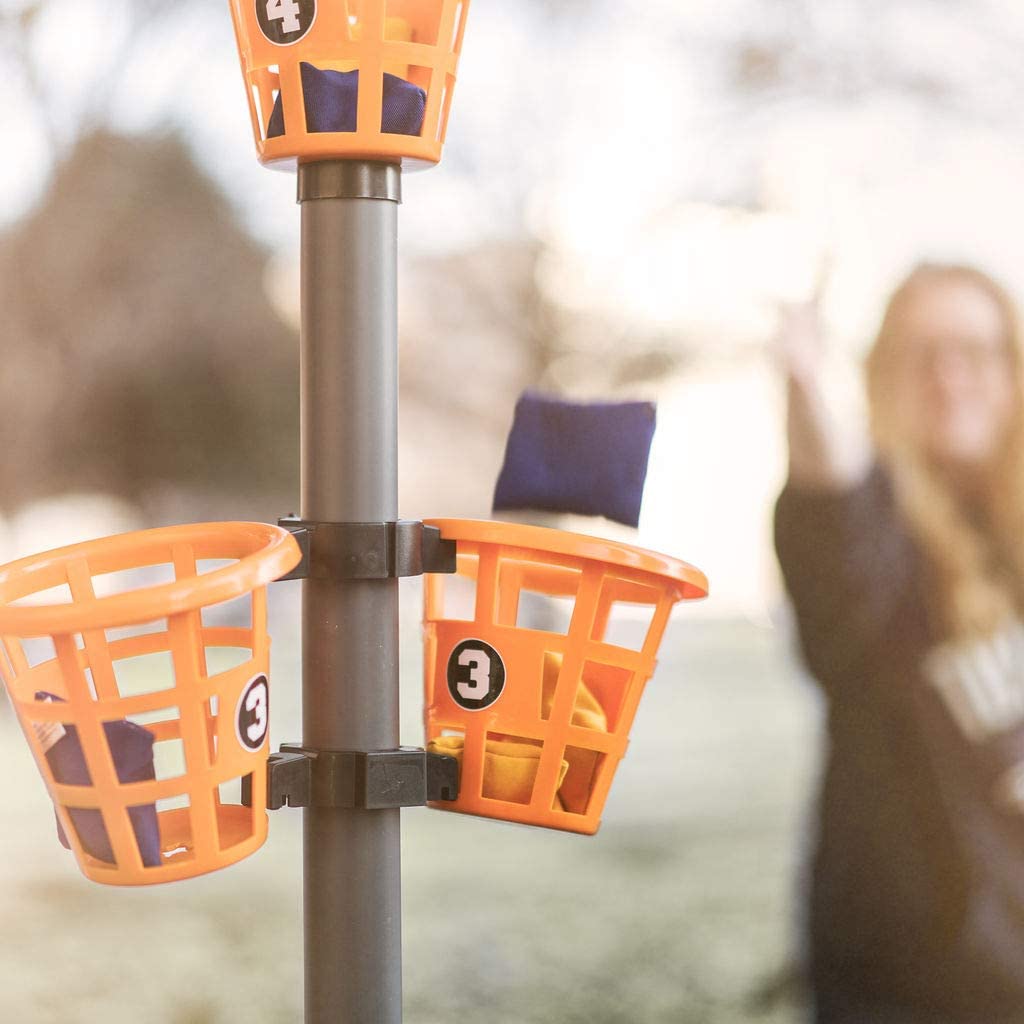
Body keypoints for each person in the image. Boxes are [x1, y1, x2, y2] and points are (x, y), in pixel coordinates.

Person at [774, 263, 1024, 1023]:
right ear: (882, 377)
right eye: (923, 353)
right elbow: (833, 523)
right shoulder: (876, 531)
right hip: (911, 979)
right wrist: (805, 389)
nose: (950, 376)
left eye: (975, 350)